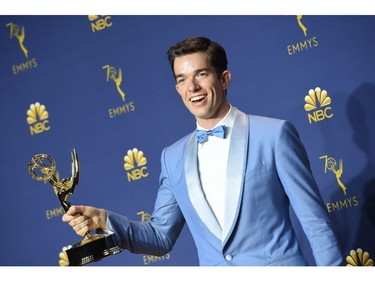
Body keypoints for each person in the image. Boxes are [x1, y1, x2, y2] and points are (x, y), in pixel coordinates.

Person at [62, 36, 343, 266]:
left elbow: (315, 223)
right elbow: (160, 237)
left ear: (224, 79)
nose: (192, 87)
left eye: (201, 74)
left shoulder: (273, 134)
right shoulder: (171, 157)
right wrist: (104, 220)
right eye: (182, 79)